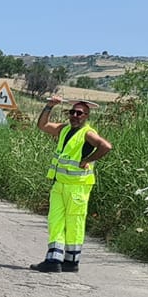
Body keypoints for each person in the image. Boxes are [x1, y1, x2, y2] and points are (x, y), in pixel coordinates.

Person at [30, 97, 112, 273]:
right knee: (55, 221)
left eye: (79, 113)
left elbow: (106, 146)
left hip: (77, 187)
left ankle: (71, 261)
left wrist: (87, 160)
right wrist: (49, 106)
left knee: (75, 223)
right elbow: (42, 125)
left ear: (86, 116)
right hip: (59, 184)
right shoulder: (64, 129)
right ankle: (54, 259)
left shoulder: (88, 134)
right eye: (72, 112)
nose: (75, 115)